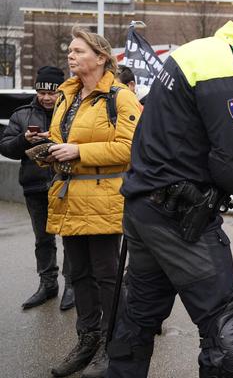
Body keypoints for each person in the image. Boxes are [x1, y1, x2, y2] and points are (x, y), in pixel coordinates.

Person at [106, 10, 233, 378]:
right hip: (180, 219)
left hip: (143, 207)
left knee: (138, 319)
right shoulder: (227, 70)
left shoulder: (199, 50)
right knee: (228, 342)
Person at [47, 27, 142, 378]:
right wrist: (49, 148)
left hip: (102, 199)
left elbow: (131, 149)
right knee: (78, 274)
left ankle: (111, 346)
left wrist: (79, 151)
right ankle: (85, 341)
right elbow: (64, 139)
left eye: (78, 51)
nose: (71, 56)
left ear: (101, 58)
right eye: (69, 50)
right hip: (68, 197)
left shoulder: (120, 97)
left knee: (107, 276)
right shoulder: (65, 96)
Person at [0, 65, 74, 311]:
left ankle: (72, 286)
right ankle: (48, 284)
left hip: (65, 185)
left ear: (59, 91)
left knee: (71, 239)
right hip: (34, 186)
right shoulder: (21, 114)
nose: (46, 97)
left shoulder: (72, 111)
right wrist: (24, 140)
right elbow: (6, 147)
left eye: (51, 92)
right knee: (43, 239)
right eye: (41, 91)